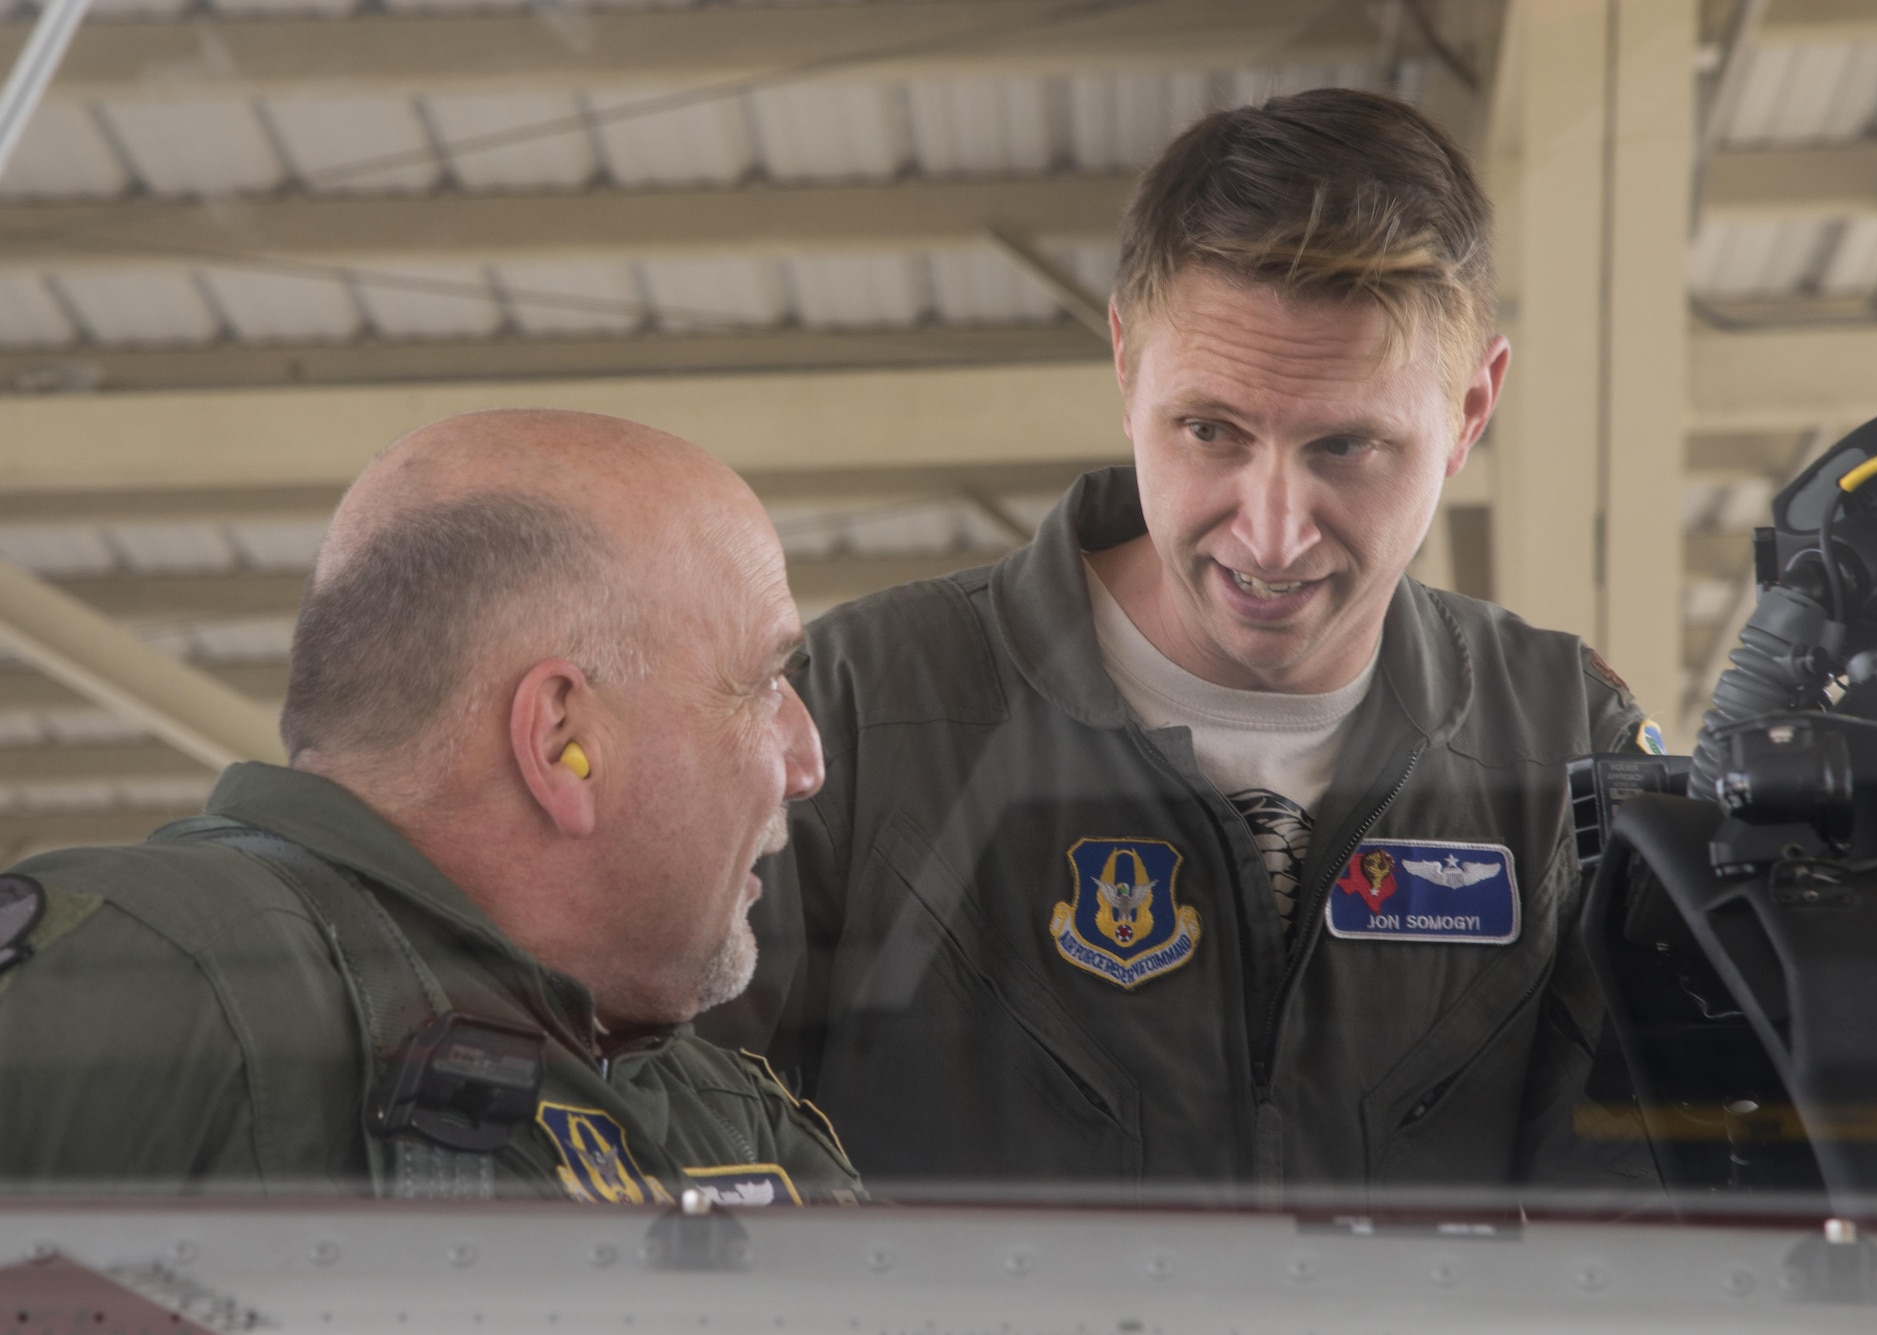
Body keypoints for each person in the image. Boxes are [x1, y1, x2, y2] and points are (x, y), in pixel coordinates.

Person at [702, 89, 1660, 1195]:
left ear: (1472, 409)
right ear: (1123, 362)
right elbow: (693, 1153)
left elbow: (1636, 1221)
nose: (1270, 531)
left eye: (1347, 446)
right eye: (1210, 431)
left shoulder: (1563, 747)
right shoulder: (858, 712)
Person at [0, 409, 859, 1206]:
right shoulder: (145, 986)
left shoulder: (729, 1120)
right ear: (564, 737)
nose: (806, 761)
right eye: (762, 684)